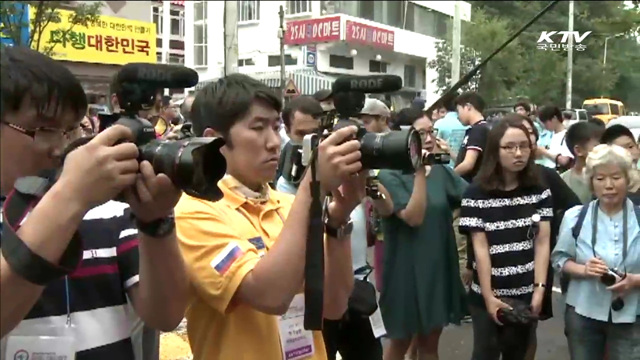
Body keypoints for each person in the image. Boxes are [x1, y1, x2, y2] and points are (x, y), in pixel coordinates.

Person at [0, 46, 187, 360]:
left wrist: (156, 222)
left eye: (70, 129)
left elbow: (166, 315)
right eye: (45, 129)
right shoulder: (79, 195)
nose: (60, 147)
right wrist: (71, 197)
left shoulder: (108, 210)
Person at [175, 74, 365, 360]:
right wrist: (312, 188)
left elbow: (334, 305)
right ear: (214, 141)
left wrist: (338, 221)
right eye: (258, 127)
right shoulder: (193, 211)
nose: (275, 142)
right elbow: (269, 295)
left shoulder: (288, 205)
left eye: (276, 128)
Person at [278, 96, 388, 360]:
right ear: (287, 134)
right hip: (312, 298)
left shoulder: (345, 176)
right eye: (301, 135)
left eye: (316, 135)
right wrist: (312, 184)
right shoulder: (284, 191)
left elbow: (385, 210)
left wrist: (367, 183)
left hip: (358, 289)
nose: (312, 144)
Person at [459, 117, 553, 360]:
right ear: (494, 150)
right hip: (487, 295)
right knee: (485, 353)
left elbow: (542, 243)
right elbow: (480, 249)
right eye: (509, 147)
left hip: (526, 292)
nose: (518, 153)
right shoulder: (475, 193)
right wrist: (490, 298)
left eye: (523, 146)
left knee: (520, 353)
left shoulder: (539, 190)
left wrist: (539, 291)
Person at [378, 108, 467, 360]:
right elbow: (413, 217)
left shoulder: (439, 170)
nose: (429, 139)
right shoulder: (389, 175)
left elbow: (471, 195)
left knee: (430, 344)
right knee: (400, 342)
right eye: (421, 134)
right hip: (405, 269)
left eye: (431, 132)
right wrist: (418, 171)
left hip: (437, 266)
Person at [552, 144, 640, 360]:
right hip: (583, 312)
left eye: (616, 177)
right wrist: (584, 269)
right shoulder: (575, 217)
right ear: (591, 182)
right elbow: (559, 259)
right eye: (600, 179)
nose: (609, 185)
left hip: (632, 313)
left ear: (628, 179)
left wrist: (635, 281)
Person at [517, 114, 582, 360]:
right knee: (489, 339)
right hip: (495, 266)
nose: (521, 147)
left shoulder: (546, 176)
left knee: (528, 327)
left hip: (537, 263)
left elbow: (574, 208)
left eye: (528, 139)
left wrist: (549, 225)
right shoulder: (487, 181)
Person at [275, 96, 324, 190]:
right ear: (287, 131)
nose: (309, 139)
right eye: (302, 134)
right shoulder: (285, 185)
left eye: (315, 133)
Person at [561, 122, 602, 204]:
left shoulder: (611, 175)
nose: (603, 150)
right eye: (597, 146)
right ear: (578, 150)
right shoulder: (563, 182)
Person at [454, 91, 489, 183]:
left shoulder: (478, 130)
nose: (458, 116)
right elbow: (464, 159)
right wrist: (448, 150)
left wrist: (450, 177)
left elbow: (468, 164)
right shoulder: (479, 128)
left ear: (468, 107)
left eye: (458, 111)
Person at [536, 105, 573, 170]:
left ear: (554, 119)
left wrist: (544, 151)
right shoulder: (547, 135)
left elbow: (564, 161)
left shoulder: (566, 136)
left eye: (546, 122)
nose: (544, 126)